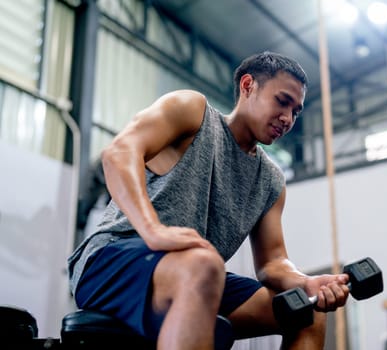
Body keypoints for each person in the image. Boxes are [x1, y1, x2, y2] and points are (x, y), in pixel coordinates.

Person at [67, 51, 350, 350]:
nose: (288, 118)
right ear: (248, 85)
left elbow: (272, 262)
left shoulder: (271, 181)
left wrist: (305, 282)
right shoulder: (193, 111)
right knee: (204, 265)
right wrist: (154, 230)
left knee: (306, 311)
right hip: (111, 259)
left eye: (296, 111)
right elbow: (119, 153)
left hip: (196, 273)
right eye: (282, 101)